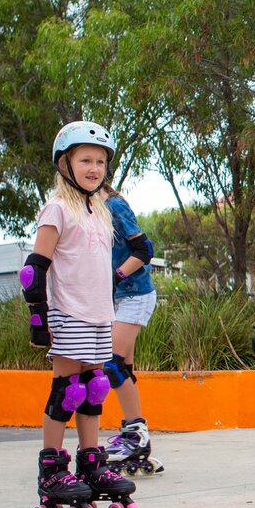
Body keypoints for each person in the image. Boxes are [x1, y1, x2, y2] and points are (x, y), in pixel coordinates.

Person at [21, 121, 138, 508]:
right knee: (66, 390)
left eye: (101, 161)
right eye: (85, 159)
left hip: (99, 314)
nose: (94, 168)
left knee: (95, 387)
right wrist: (39, 320)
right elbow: (34, 270)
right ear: (65, 163)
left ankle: (91, 463)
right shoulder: (57, 208)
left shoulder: (101, 210)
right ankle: (52, 471)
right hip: (67, 313)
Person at [100, 189, 163, 476]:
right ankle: (135, 437)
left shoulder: (113, 205)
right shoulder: (89, 209)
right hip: (116, 298)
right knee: (122, 368)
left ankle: (135, 436)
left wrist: (115, 277)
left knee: (111, 365)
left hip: (134, 294)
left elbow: (144, 250)